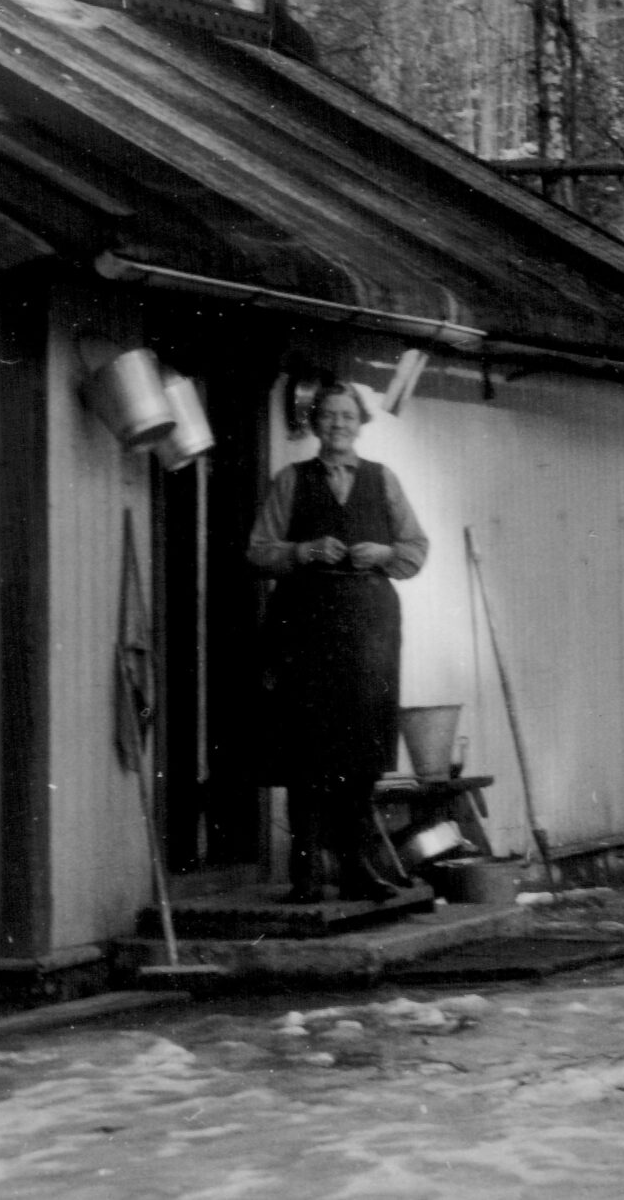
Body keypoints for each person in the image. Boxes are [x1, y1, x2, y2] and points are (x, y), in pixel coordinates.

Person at [247, 381, 429, 903]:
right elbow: (257, 551)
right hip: (305, 628)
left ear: (360, 423)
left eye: (348, 416)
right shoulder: (291, 479)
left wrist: (384, 554)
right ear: (313, 423)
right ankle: (306, 873)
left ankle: (356, 868)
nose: (338, 425)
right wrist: (302, 551)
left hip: (370, 628)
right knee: (305, 749)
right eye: (328, 416)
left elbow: (416, 549)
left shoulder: (383, 480)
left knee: (362, 748)